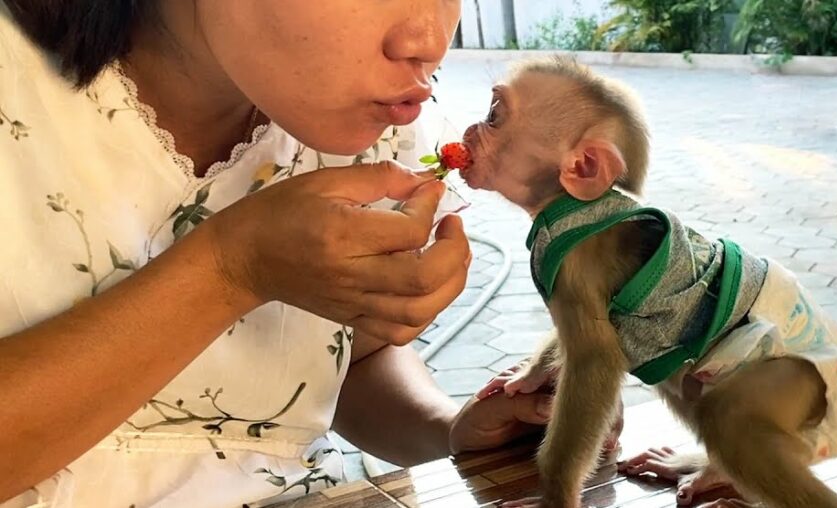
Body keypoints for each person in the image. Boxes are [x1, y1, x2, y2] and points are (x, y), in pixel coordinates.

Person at [0, 1, 571, 506]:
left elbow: (348, 359)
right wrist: (228, 270)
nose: (427, 41)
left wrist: (450, 429)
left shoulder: (368, 133)